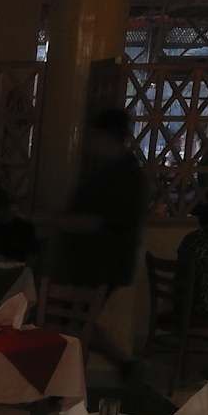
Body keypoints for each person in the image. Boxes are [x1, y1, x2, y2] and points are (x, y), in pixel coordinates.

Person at [51, 109, 146, 293]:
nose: (91, 142)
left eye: (95, 136)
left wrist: (59, 221)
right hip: (93, 267)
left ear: (107, 137)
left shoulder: (125, 176)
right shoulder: (110, 170)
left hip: (100, 267)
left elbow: (106, 221)